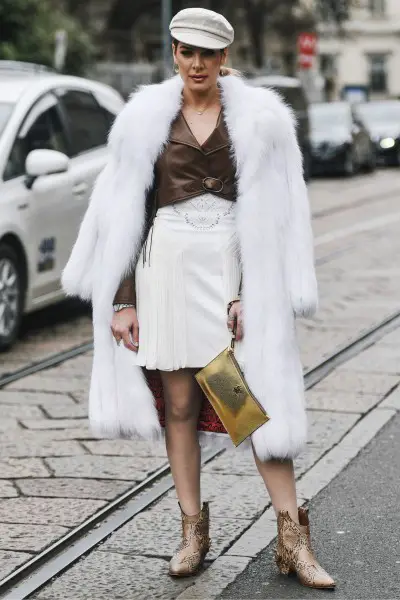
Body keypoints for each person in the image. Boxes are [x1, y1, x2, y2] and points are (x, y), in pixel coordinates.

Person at [62, 7, 335, 589]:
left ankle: (293, 540)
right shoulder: (144, 120)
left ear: (222, 58)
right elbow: (124, 215)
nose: (197, 64)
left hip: (234, 273)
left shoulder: (261, 120)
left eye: (207, 54)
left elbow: (283, 215)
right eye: (187, 52)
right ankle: (193, 533)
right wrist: (123, 300)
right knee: (180, 406)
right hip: (164, 271)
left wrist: (255, 291)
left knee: (246, 406)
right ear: (175, 53)